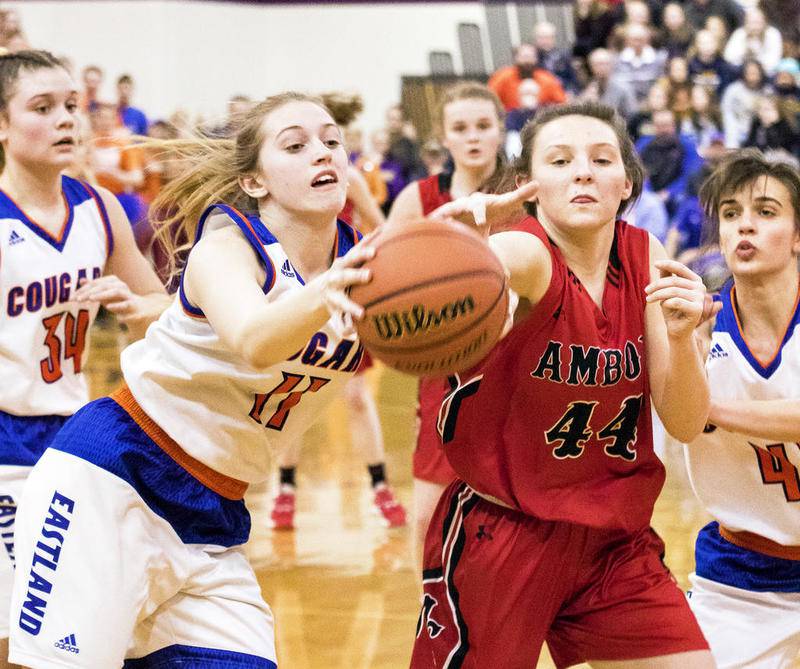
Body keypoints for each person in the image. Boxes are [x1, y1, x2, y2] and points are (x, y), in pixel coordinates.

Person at [7, 91, 375, 667]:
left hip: (214, 513)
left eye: (331, 141)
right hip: (115, 478)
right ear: (255, 182)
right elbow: (254, 339)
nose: (322, 154)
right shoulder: (226, 247)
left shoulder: (365, 267)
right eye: (296, 145)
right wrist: (324, 292)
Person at [411, 101, 715, 667]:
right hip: (506, 534)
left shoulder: (646, 255)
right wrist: (454, 253)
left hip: (613, 544)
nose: (582, 171)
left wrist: (680, 340)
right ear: (526, 185)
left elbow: (686, 422)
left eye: (601, 159)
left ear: (626, 183)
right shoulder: (525, 252)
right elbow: (482, 271)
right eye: (560, 160)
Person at [0, 50, 169, 668]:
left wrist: (134, 302)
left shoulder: (99, 208)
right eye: (42, 108)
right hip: (4, 442)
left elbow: (162, 306)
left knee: (82, 631)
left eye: (71, 105)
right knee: (17, 635)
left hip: (75, 441)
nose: (66, 119)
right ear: (3, 125)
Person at [269, 91, 406, 531]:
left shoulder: (351, 181)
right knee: (291, 398)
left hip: (344, 294)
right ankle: (286, 487)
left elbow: (381, 231)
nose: (320, 153)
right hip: (299, 294)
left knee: (356, 397)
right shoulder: (282, 185)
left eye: (329, 141)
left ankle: (380, 487)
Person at [685, 149, 800, 668]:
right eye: (731, 214)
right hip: (744, 574)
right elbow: (675, 417)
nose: (743, 226)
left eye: (766, 212)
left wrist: (709, 407)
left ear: (798, 236)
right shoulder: (696, 327)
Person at [388, 82, 506, 563]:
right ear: (444, 138)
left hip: (515, 365)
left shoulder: (526, 196)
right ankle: (434, 624)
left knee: (509, 523)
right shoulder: (419, 199)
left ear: (501, 131)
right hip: (446, 365)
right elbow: (382, 278)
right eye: (461, 128)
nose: (474, 136)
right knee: (428, 520)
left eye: (484, 126)